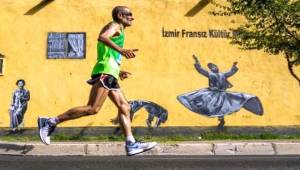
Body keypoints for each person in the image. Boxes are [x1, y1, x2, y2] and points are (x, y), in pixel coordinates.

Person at [38, 6, 156, 156]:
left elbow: (107, 54)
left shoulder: (119, 30)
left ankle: (131, 143)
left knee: (125, 107)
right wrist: (122, 51)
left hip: (110, 72)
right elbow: (102, 37)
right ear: (120, 15)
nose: (132, 17)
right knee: (92, 108)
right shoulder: (115, 25)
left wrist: (118, 71)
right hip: (106, 72)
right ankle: (50, 122)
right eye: (130, 14)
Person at [177, 55, 263, 127]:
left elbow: (231, 72)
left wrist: (234, 66)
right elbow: (201, 70)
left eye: (215, 66)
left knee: (223, 107)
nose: (215, 67)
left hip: (221, 94)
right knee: (208, 104)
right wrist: (196, 61)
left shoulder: (222, 74)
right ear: (211, 69)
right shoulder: (210, 74)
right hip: (212, 93)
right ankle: (210, 114)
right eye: (213, 67)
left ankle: (221, 120)